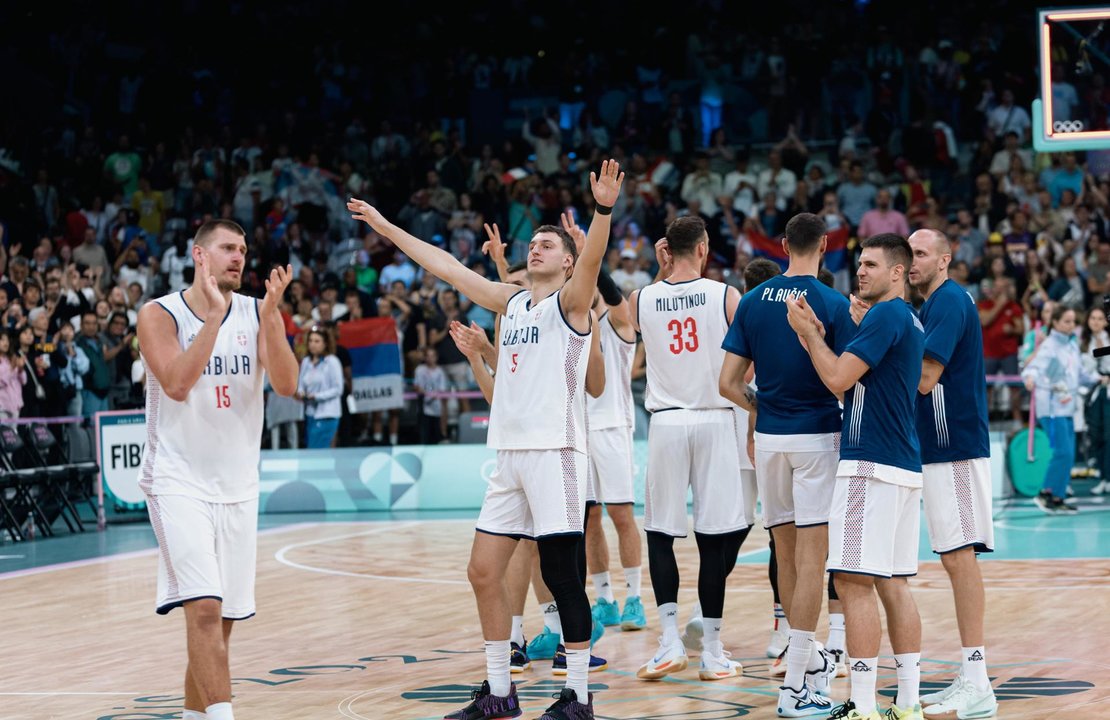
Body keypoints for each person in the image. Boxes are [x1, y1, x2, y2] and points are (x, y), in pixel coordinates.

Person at [348, 158, 623, 720]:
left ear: (568, 262)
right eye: (534, 243)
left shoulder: (572, 305)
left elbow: (593, 258)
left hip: (556, 454)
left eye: (548, 244)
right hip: (511, 457)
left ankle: (577, 697)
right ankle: (501, 692)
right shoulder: (511, 303)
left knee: (562, 577)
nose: (536, 248)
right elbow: (448, 267)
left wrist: (602, 210)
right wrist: (385, 227)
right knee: (482, 571)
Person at [135, 219, 298, 720]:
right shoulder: (158, 314)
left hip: (237, 487)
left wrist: (271, 317)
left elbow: (288, 385)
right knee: (203, 610)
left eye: (243, 250)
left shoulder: (257, 310)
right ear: (198, 255)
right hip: (176, 480)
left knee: (217, 628)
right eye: (227, 248)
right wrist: (214, 318)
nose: (238, 257)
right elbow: (178, 384)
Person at [785, 233, 925, 720]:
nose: (859, 271)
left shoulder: (887, 314)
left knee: (853, 581)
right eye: (858, 264)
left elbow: (838, 379)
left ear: (897, 273)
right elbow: (863, 389)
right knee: (895, 583)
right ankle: (908, 703)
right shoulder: (904, 318)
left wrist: (809, 334)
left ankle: (863, 706)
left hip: (870, 463)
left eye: (870, 264)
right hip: (902, 466)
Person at [719, 212, 854, 716]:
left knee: (788, 556)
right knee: (813, 564)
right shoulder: (833, 302)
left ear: (781, 245)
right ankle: (796, 682)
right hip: (818, 436)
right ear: (824, 245)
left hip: (770, 440)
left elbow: (727, 384)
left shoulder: (752, 300)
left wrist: (764, 408)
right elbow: (843, 376)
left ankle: (802, 663)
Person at [628, 216, 750, 682]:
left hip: (666, 422)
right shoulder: (725, 295)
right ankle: (713, 651)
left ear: (666, 251)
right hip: (717, 419)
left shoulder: (642, 298)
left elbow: (638, 315)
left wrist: (661, 274)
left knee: (660, 534)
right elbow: (751, 357)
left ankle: (668, 642)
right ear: (703, 248)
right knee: (714, 538)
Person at [904, 229, 999, 719]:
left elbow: (923, 378)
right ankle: (971, 672)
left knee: (961, 560)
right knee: (953, 558)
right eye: (909, 253)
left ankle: (979, 680)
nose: (912, 260)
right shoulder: (930, 306)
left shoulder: (947, 302)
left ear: (945, 259)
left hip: (955, 446)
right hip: (940, 450)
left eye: (921, 253)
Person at [1021, 304, 1094, 514]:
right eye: (1067, 321)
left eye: (1073, 321)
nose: (1071, 326)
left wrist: (1099, 378)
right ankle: (1046, 493)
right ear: (1055, 323)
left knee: (1069, 454)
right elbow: (1033, 368)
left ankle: (1057, 497)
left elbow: (1080, 375)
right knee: (1062, 452)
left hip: (1068, 407)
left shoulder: (1071, 345)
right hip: (1051, 408)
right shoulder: (1050, 345)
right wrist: (1030, 378)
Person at [297, 325, 344, 449]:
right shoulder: (306, 361)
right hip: (310, 414)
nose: (313, 344)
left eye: (317, 341)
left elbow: (338, 389)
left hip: (327, 414)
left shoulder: (332, 362)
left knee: (318, 451)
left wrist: (317, 396)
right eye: (311, 341)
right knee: (311, 451)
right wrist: (301, 392)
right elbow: (300, 384)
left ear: (325, 343)